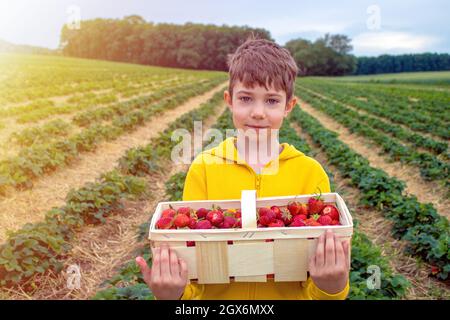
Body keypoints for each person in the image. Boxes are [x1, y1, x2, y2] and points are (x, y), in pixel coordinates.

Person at [136, 37, 350, 300]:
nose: (258, 112)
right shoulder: (204, 168)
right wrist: (174, 294)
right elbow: (193, 267)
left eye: (271, 100)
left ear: (289, 106)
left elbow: (314, 278)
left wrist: (331, 288)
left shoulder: (309, 173)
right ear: (229, 100)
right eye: (246, 98)